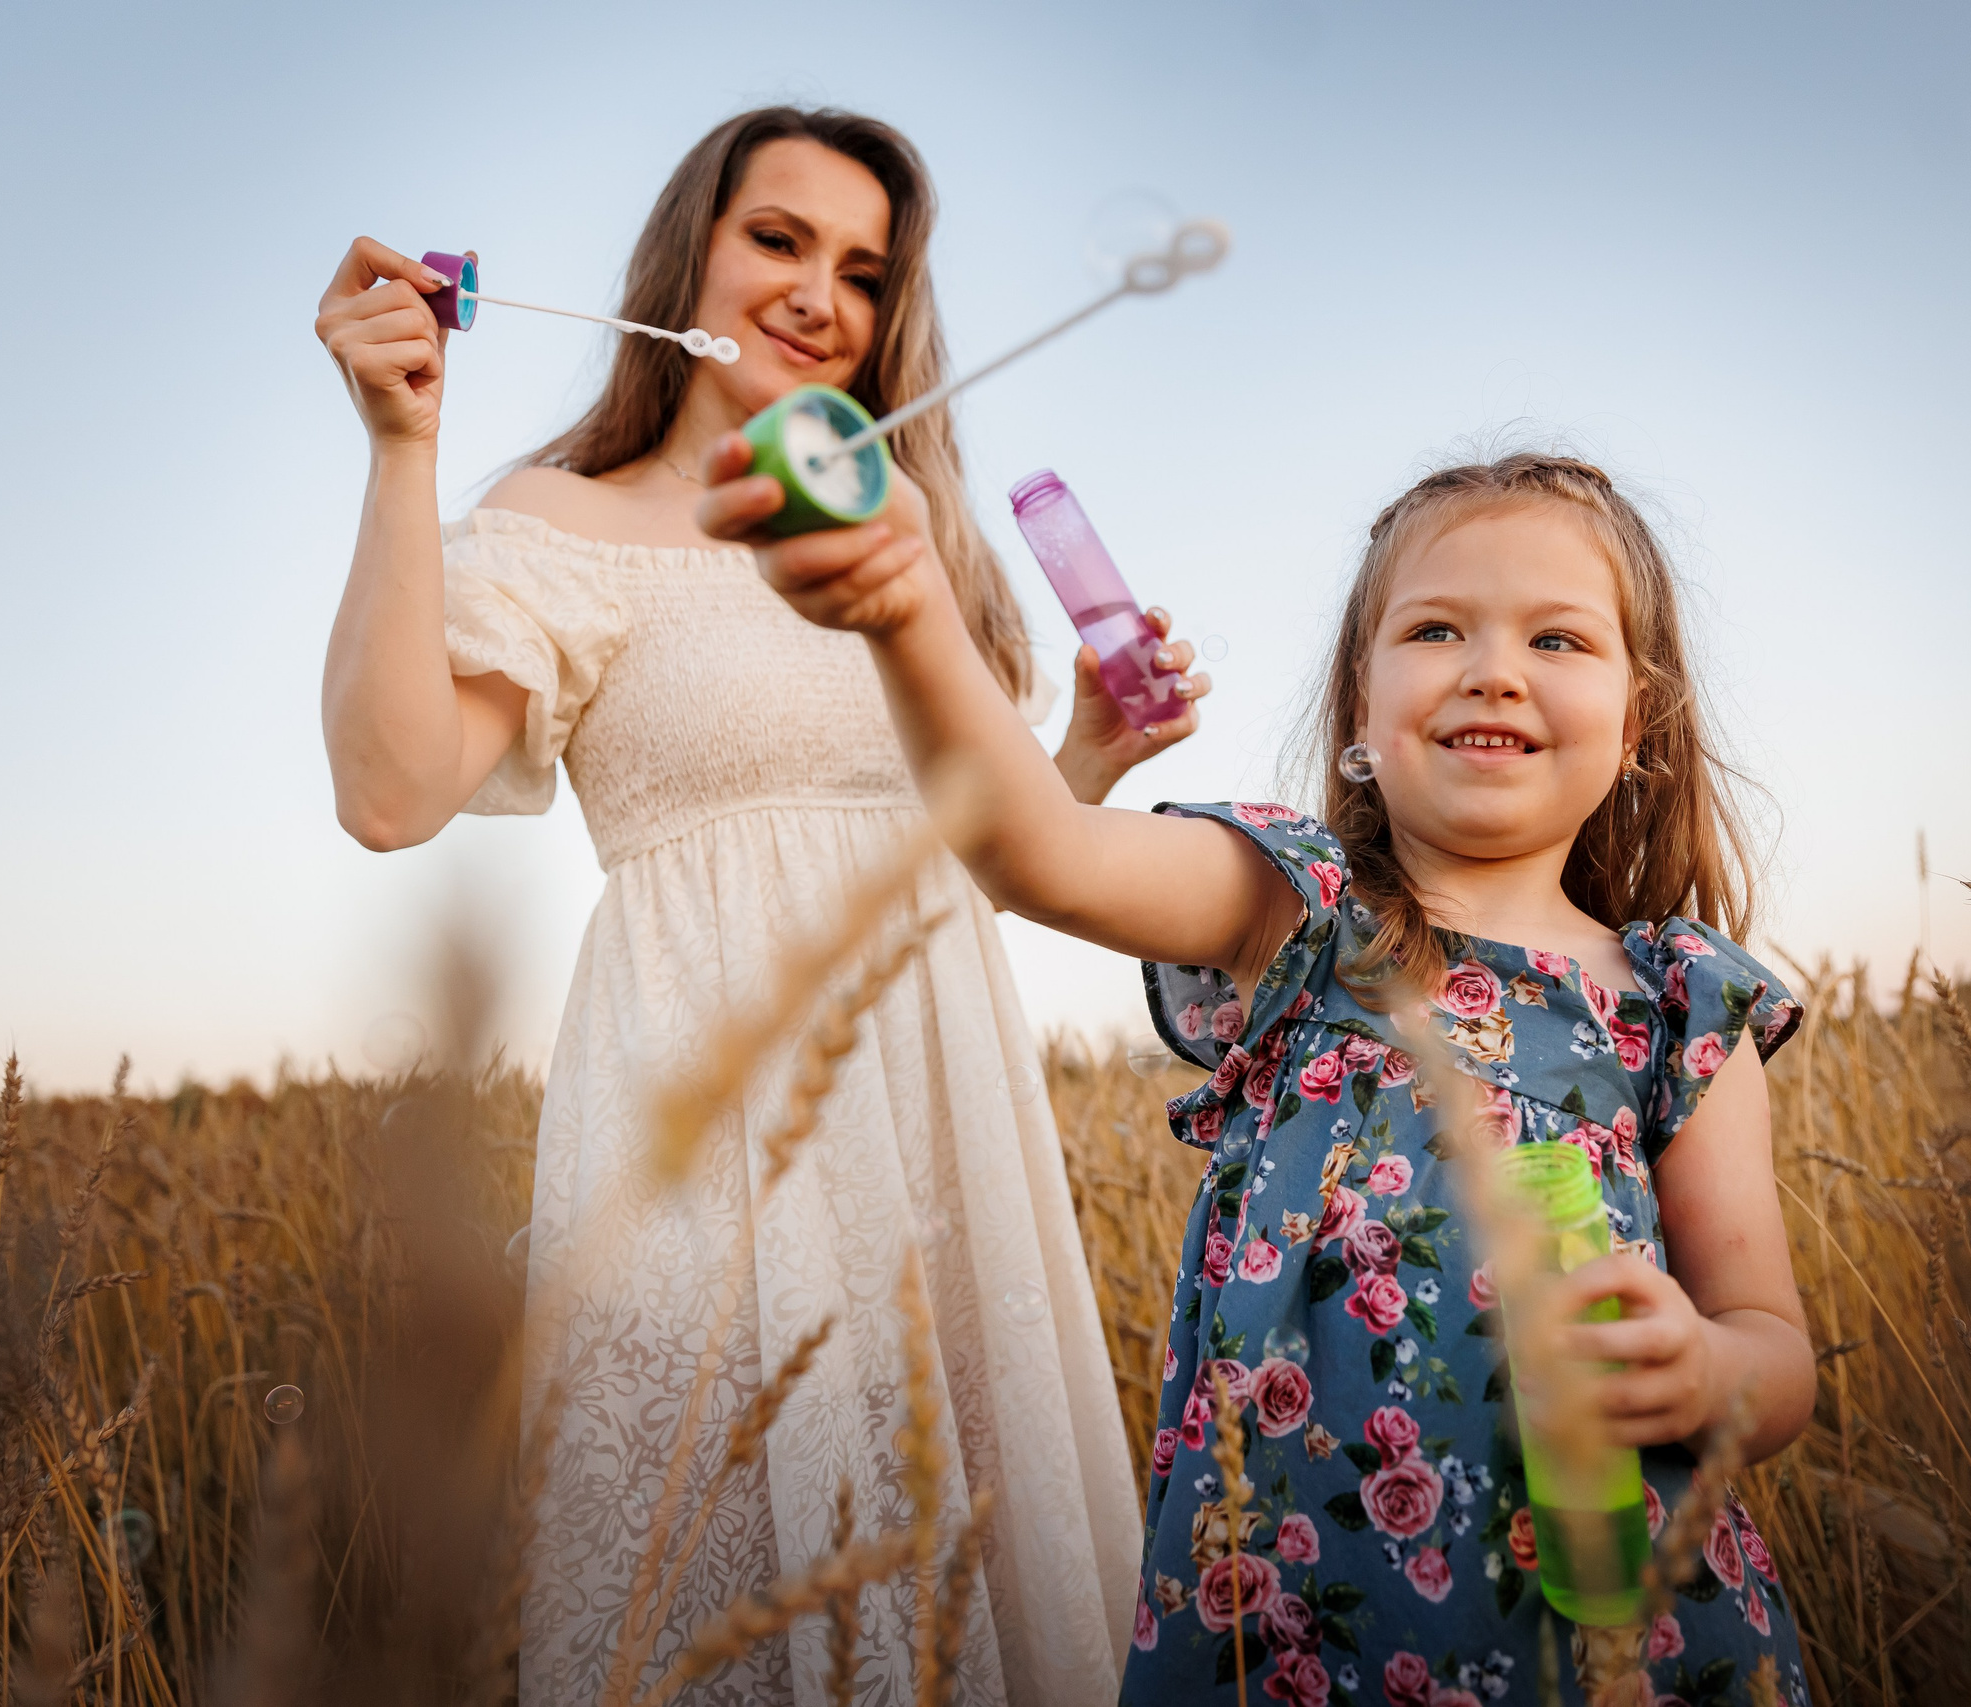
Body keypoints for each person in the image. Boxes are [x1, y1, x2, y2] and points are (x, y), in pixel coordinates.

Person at [312, 107, 1200, 1704]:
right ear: (691, 256)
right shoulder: (569, 518)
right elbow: (388, 791)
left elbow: (953, 876)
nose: (818, 295)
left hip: (941, 1118)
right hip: (704, 1126)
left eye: (865, 271)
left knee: (962, 1592)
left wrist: (1080, 756)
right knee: (724, 1585)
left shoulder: (904, 532)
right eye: (778, 239)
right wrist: (401, 451)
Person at [713, 448, 1815, 1703]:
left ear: (1637, 723)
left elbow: (1772, 1344)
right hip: (1300, 1627)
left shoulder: (1680, 1009)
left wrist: (1710, 1372)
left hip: (1621, 1623)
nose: (1492, 668)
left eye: (1557, 641)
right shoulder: (1303, 913)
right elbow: (1038, 853)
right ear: (1358, 712)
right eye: (1436, 628)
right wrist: (907, 606)